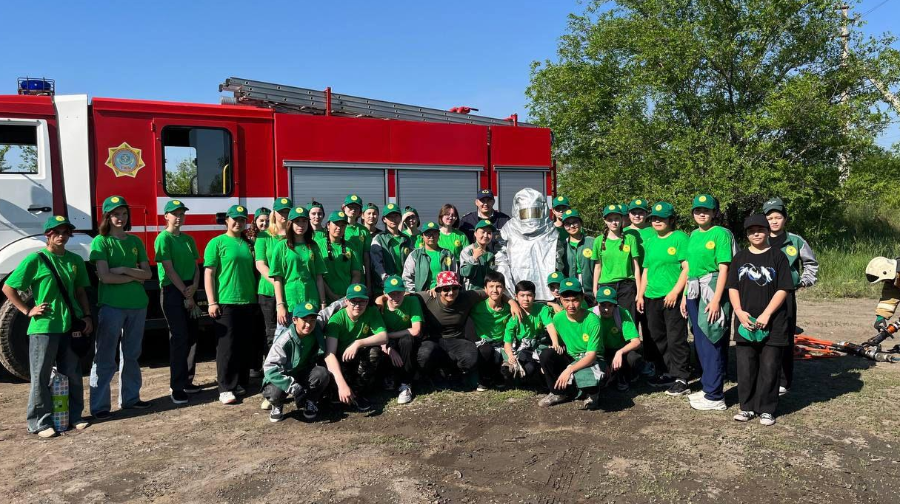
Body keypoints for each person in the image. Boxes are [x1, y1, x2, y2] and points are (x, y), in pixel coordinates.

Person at [2, 216, 93, 438]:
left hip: (70, 325)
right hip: (43, 326)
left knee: (72, 371)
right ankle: (39, 422)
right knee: (40, 375)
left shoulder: (74, 260)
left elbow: (80, 291)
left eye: (65, 232)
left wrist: (87, 316)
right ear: (47, 235)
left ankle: (74, 416)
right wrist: (27, 310)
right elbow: (9, 287)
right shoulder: (36, 260)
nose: (61, 235)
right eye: (56, 232)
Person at [89, 195, 153, 419]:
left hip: (137, 305)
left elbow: (148, 274)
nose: (120, 218)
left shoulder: (135, 242)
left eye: (124, 214)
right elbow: (105, 278)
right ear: (107, 216)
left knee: (132, 354)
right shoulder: (101, 241)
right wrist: (133, 276)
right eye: (115, 214)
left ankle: (130, 399)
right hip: (112, 306)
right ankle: (99, 407)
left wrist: (124, 270)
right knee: (105, 356)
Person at [727, 214, 793, 426]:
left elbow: (784, 288)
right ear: (746, 234)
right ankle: (746, 407)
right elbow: (733, 287)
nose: (756, 233)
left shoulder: (778, 256)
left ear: (767, 231)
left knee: (769, 366)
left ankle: (767, 409)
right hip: (745, 321)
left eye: (760, 229)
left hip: (774, 322)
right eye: (751, 230)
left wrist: (766, 314)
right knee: (746, 367)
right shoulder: (739, 258)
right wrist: (738, 311)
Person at [413, 271, 521, 390]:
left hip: (457, 339)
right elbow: (403, 296)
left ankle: (456, 374)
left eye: (454, 288)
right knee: (425, 354)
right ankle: (430, 375)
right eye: (445, 289)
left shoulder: (466, 296)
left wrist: (512, 302)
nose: (450, 292)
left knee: (471, 357)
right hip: (434, 339)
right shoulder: (428, 297)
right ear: (438, 289)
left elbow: (492, 292)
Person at [681, 194, 734, 412]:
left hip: (711, 290)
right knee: (700, 340)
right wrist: (685, 296)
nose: (701, 214)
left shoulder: (721, 233)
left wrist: (715, 300)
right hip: (694, 290)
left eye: (706, 210)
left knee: (712, 338)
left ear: (714, 213)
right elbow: (690, 269)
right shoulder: (693, 235)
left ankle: (715, 396)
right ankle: (708, 385)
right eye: (697, 210)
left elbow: (724, 268)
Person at [762, 197, 819, 395]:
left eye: (778, 217)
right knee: (763, 334)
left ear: (785, 218)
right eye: (770, 218)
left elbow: (811, 264)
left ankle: (784, 381)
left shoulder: (795, 240)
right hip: (763, 293)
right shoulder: (760, 237)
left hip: (786, 294)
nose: (774, 221)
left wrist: (804, 280)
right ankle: (765, 376)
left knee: (784, 336)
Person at [204, 204, 257, 405]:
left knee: (243, 346)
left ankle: (240, 382)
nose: (238, 222)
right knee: (226, 347)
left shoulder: (248, 244)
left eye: (242, 219)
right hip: (226, 301)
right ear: (226, 220)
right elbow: (209, 273)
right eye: (234, 219)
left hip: (248, 300)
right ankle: (225, 388)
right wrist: (212, 302)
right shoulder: (217, 243)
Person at [637, 202, 691, 396]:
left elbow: (687, 267)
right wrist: (640, 295)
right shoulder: (650, 241)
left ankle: (681, 377)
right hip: (652, 296)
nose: (657, 221)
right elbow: (646, 270)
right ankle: (666, 372)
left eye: (662, 218)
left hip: (671, 297)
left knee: (676, 337)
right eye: (654, 218)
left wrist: (676, 292)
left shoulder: (679, 238)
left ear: (671, 220)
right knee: (657, 337)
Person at [154, 200, 201, 405]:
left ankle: (187, 380)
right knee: (179, 337)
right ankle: (177, 387)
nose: (179, 217)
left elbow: (197, 267)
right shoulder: (163, 239)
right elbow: (169, 269)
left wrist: (194, 288)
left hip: (189, 288)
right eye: (174, 213)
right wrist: (186, 294)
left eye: (181, 213)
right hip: (174, 291)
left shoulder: (188, 239)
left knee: (192, 336)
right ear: (166, 216)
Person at [538, 278, 606, 410]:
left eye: (575, 300)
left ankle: (593, 393)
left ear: (581, 298)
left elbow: (592, 356)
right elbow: (559, 342)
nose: (571, 305)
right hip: (571, 357)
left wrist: (569, 370)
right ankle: (558, 393)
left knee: (586, 376)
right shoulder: (558, 318)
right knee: (546, 355)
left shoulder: (592, 320)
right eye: (566, 300)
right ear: (561, 300)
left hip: (592, 359)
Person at [261, 302, 332, 422]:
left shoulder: (316, 327)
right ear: (294, 320)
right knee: (274, 392)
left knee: (322, 373)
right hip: (284, 375)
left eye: (312, 320)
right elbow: (269, 368)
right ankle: (277, 405)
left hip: (303, 372)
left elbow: (329, 310)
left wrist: (347, 300)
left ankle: (310, 401)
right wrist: (292, 386)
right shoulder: (284, 341)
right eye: (304, 320)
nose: (309, 324)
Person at [323, 284, 389, 411]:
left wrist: (358, 343)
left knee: (375, 351)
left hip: (358, 356)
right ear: (346, 301)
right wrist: (341, 383)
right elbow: (329, 354)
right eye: (353, 301)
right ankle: (340, 391)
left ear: (367, 301)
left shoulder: (371, 312)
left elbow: (383, 336)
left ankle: (357, 393)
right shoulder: (336, 320)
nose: (358, 305)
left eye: (362, 301)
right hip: (340, 359)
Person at [255, 197, 292, 380]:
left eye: (287, 211)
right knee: (272, 336)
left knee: (291, 334)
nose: (284, 215)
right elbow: (261, 265)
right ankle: (272, 377)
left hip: (292, 293)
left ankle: (288, 371)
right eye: (281, 211)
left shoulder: (295, 234)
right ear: (274, 213)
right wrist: (278, 282)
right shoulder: (264, 236)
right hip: (269, 293)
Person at [270, 206, 328, 324]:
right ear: (290, 223)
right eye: (297, 222)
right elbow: (277, 278)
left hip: (311, 300)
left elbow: (318, 277)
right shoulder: (282, 246)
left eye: (304, 221)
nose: (301, 225)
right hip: (291, 300)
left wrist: (323, 303)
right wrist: (280, 305)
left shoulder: (313, 246)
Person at [379, 275, 424, 404]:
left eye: (399, 293)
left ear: (405, 292)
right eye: (391, 294)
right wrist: (388, 348)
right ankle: (388, 377)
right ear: (385, 294)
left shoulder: (412, 301)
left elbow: (415, 330)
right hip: (385, 343)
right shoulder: (380, 307)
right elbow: (377, 333)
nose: (396, 297)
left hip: (403, 340)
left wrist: (389, 335)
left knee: (407, 339)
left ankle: (406, 383)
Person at [501, 280, 554, 386]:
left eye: (529, 295)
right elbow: (507, 342)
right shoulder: (513, 317)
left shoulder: (542, 309)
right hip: (522, 349)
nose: (526, 299)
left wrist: (555, 343)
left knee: (546, 358)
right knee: (523, 365)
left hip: (539, 345)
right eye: (522, 295)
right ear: (516, 296)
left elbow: (550, 326)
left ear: (534, 296)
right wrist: (510, 355)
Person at [592, 204, 641, 315]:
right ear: (605, 221)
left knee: (628, 319)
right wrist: (595, 288)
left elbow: (636, 267)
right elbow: (598, 267)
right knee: (608, 321)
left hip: (626, 286)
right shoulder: (599, 241)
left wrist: (639, 291)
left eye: (616, 219)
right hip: (606, 285)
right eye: (610, 220)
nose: (614, 222)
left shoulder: (630, 239)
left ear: (621, 219)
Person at [593, 286, 643, 392]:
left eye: (610, 305)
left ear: (615, 305)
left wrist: (619, 352)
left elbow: (636, 342)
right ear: (597, 303)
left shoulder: (622, 313)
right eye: (603, 305)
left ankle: (625, 376)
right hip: (598, 352)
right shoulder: (590, 315)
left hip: (618, 350)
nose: (606, 309)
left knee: (633, 358)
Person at [472, 271, 513, 391]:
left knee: (505, 365)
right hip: (483, 344)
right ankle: (484, 378)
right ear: (485, 289)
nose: (495, 290)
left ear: (504, 288)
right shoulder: (477, 306)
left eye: (499, 286)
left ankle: (498, 375)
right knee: (486, 351)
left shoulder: (509, 309)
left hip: (502, 344)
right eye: (491, 286)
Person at [314, 211, 362, 303]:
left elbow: (356, 274)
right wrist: (331, 295)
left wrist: (349, 295)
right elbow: (317, 276)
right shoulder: (318, 246)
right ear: (328, 225)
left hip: (347, 299)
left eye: (342, 225)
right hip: (325, 299)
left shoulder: (351, 247)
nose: (339, 228)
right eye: (336, 224)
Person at [402, 221, 457, 292]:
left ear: (439, 235)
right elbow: (407, 277)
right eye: (428, 233)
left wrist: (440, 289)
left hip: (443, 294)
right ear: (422, 236)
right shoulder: (415, 255)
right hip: (421, 295)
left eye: (434, 233)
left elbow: (455, 276)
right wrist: (414, 294)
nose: (431, 236)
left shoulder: (448, 254)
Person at [371, 203, 413, 293]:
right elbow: (377, 265)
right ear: (384, 219)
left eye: (396, 216)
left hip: (404, 287)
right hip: (386, 288)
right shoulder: (378, 239)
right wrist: (388, 284)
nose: (393, 219)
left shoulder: (407, 239)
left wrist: (407, 285)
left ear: (400, 218)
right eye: (390, 217)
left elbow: (412, 264)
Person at [556, 209, 595, 293]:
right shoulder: (562, 246)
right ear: (563, 226)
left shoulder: (592, 242)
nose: (572, 226)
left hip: (591, 287)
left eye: (575, 222)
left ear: (581, 223)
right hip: (571, 288)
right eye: (568, 224)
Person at [342, 194, 372, 289]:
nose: (353, 210)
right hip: (341, 273)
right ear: (344, 208)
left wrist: (369, 282)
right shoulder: (338, 228)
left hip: (359, 274)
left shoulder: (363, 230)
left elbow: (366, 257)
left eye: (356, 207)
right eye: (350, 207)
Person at [459, 220, 500, 290]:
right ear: (475, 233)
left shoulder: (491, 254)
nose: (486, 235)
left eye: (489, 233)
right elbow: (465, 273)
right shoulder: (467, 251)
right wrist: (474, 258)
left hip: (487, 293)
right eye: (483, 232)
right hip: (472, 293)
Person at [866, 256, 900, 328]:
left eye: (883, 280)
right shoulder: (893, 277)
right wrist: (881, 317)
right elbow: (890, 297)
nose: (882, 282)